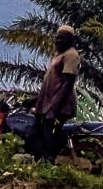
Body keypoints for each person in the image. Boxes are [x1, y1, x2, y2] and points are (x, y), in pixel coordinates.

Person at [30, 28, 83, 162]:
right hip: (48, 103)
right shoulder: (58, 55)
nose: (58, 41)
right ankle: (41, 161)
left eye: (62, 38)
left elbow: (67, 84)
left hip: (60, 104)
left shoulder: (71, 55)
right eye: (57, 38)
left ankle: (50, 162)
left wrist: (54, 109)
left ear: (71, 40)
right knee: (38, 132)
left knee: (48, 134)